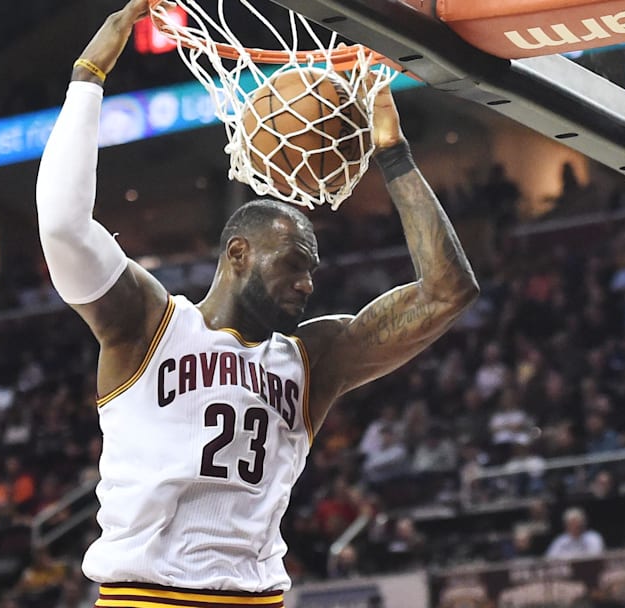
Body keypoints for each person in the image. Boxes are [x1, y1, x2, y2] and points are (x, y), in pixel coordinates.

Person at [35, 0, 478, 604]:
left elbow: (448, 291)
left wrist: (394, 155)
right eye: (293, 264)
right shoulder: (149, 323)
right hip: (148, 596)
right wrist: (87, 78)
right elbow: (62, 226)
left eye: (313, 272)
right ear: (237, 253)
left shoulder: (313, 358)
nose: (307, 284)